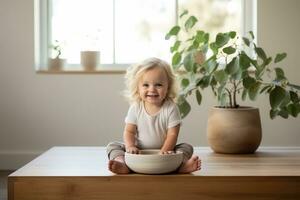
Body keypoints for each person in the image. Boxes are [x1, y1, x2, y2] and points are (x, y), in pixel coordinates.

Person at [106, 57, 201, 174]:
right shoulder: (136, 107)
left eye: (158, 85)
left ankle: (182, 166)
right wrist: (130, 146)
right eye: (145, 85)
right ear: (137, 87)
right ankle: (122, 163)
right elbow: (129, 131)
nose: (152, 89)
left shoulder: (171, 108)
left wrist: (165, 151)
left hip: (164, 151)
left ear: (168, 87)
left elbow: (172, 134)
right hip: (139, 152)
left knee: (186, 147)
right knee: (113, 146)